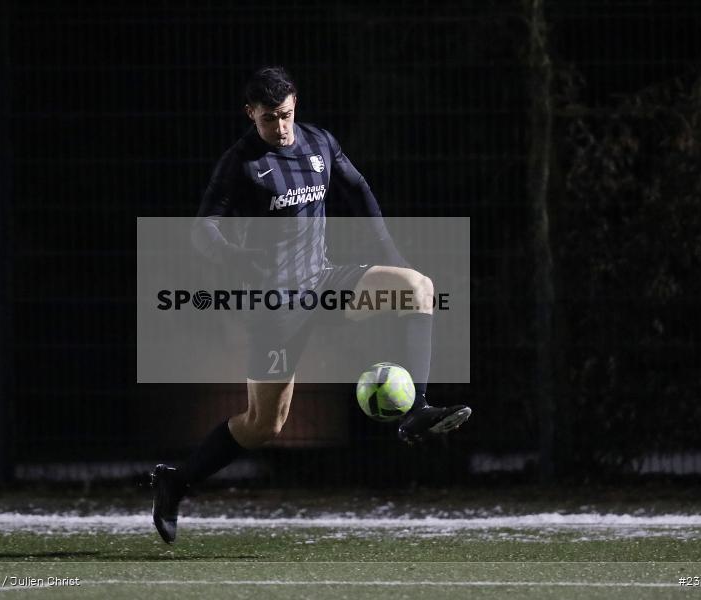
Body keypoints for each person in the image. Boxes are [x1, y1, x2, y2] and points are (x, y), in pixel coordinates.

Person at [151, 66, 471, 544]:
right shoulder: (240, 163)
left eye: (284, 115)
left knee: (415, 286)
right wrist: (239, 258)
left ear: (295, 103)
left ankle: (416, 411)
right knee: (264, 425)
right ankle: (176, 481)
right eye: (266, 120)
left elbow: (359, 190)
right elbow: (203, 228)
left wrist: (391, 256)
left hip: (323, 280)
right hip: (276, 305)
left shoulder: (319, 143)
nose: (278, 128)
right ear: (249, 115)